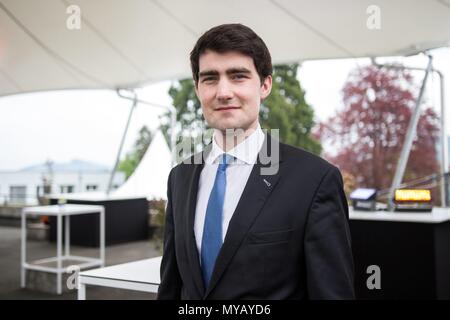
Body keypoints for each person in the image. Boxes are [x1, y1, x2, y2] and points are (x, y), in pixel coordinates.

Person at [157, 23, 354, 300]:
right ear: (198, 88)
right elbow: (172, 287)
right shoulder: (180, 177)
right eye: (210, 78)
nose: (223, 91)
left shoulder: (314, 181)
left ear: (265, 85)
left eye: (238, 76)